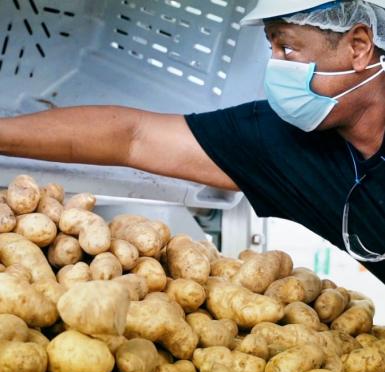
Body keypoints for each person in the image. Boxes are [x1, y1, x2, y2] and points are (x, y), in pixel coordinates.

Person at [1, 0, 385, 281]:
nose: (276, 67)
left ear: (358, 46)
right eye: (271, 48)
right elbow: (133, 137)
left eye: (287, 48)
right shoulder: (283, 140)